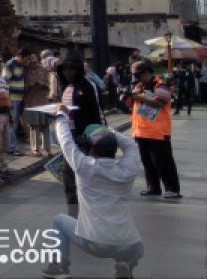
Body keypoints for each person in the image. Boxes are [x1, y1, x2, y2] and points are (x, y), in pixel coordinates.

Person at [42, 109, 144, 279]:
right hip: (131, 245)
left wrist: (61, 115)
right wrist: (108, 133)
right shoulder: (128, 170)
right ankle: (124, 261)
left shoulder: (85, 167)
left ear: (93, 149)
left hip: (96, 244)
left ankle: (60, 267)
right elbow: (132, 145)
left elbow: (65, 141)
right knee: (133, 243)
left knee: (59, 221)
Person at [57, 49, 105, 215]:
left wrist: (97, 137)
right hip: (69, 140)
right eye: (65, 69)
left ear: (78, 69)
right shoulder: (65, 87)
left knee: (85, 180)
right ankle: (73, 216)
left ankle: (89, 215)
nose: (68, 73)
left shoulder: (88, 85)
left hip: (84, 139)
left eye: (71, 69)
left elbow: (97, 112)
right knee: (68, 179)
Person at [125, 60, 180, 199]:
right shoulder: (138, 86)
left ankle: (172, 188)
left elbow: (159, 102)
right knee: (147, 163)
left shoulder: (160, 84)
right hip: (140, 131)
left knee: (164, 162)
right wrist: (128, 95)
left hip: (158, 132)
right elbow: (130, 102)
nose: (135, 78)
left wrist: (139, 96)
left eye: (138, 75)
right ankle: (153, 187)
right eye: (134, 75)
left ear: (148, 72)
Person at [23, 52, 54, 157]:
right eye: (30, 61)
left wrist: (42, 84)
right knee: (34, 126)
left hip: (44, 100)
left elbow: (50, 84)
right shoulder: (25, 70)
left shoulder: (43, 69)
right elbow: (22, 86)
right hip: (31, 101)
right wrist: (29, 85)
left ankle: (47, 148)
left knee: (45, 125)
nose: (33, 63)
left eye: (34, 61)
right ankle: (35, 149)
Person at [5, 47, 30, 156]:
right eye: (26, 59)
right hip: (12, 98)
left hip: (19, 98)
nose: (27, 61)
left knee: (16, 122)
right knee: (13, 123)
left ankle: (12, 146)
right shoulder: (10, 64)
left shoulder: (21, 65)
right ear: (20, 57)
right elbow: (5, 80)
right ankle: (11, 147)